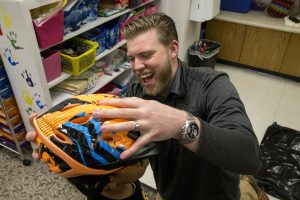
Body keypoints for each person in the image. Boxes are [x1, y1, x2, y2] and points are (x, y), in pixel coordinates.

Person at [91, 13, 262, 200]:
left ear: (173, 49)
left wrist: (181, 125)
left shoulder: (211, 85)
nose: (136, 66)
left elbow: (250, 156)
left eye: (146, 55)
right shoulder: (137, 88)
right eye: (131, 58)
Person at [26, 113, 148, 200]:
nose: (146, 159)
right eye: (138, 161)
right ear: (108, 183)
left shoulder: (120, 179)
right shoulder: (123, 180)